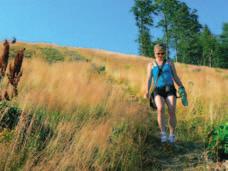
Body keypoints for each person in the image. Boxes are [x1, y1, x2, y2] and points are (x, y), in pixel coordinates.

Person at [144, 43, 186, 144]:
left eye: (162, 53)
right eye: (158, 53)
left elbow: (175, 76)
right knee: (160, 109)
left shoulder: (170, 63)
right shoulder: (151, 65)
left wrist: (181, 87)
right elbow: (149, 79)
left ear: (165, 53)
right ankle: (163, 133)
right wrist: (147, 91)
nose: (160, 55)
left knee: (172, 110)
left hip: (170, 89)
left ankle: (172, 134)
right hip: (158, 90)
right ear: (154, 53)